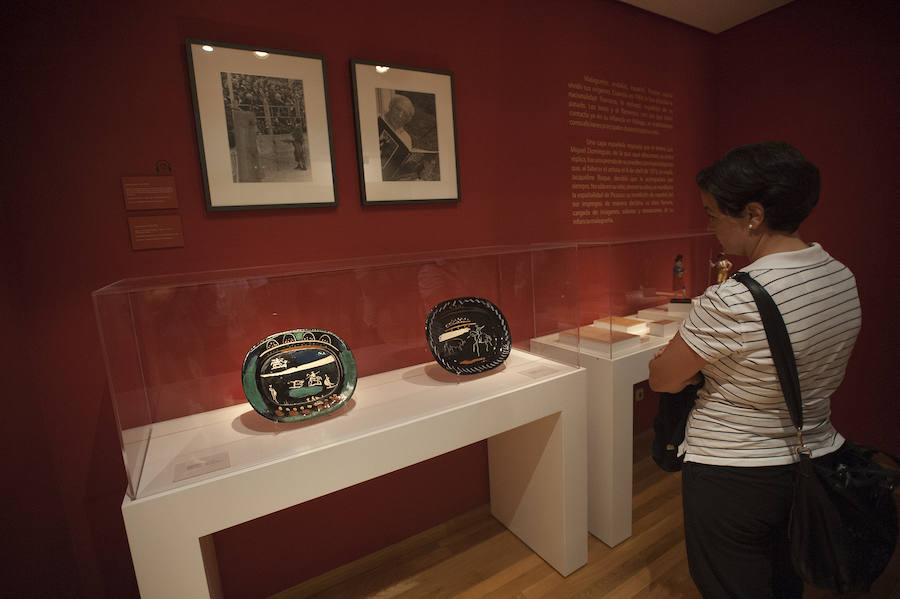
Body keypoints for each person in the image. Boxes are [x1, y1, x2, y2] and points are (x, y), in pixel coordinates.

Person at [648, 141, 861, 598]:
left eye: (711, 213)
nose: (709, 227)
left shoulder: (735, 298)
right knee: (787, 579)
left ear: (753, 214)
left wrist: (675, 359)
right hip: (812, 460)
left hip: (733, 475)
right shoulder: (841, 275)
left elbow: (663, 379)